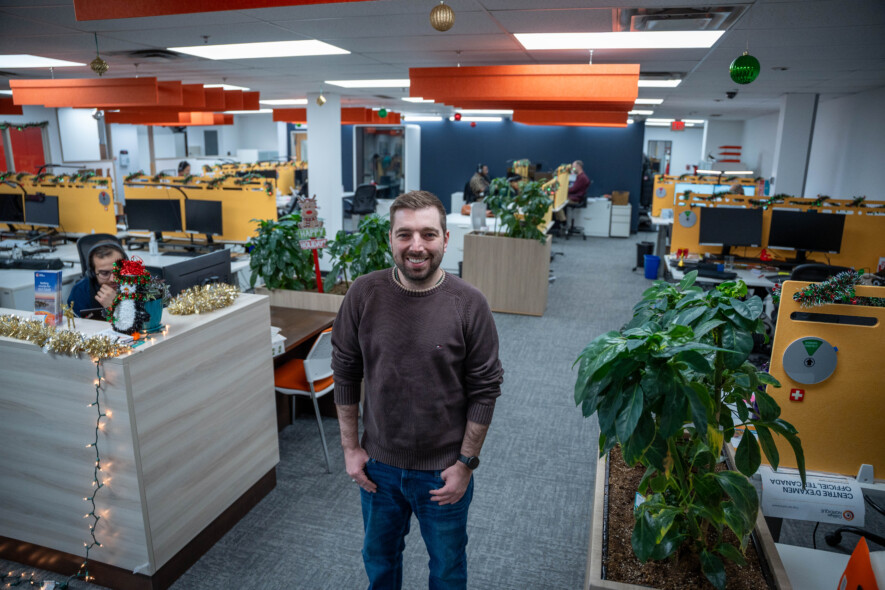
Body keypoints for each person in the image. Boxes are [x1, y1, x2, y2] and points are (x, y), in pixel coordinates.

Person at [332, 190, 504, 590]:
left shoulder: (469, 304)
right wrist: (350, 449)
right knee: (379, 561)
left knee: (446, 570)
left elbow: (486, 389)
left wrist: (465, 465)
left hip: (444, 472)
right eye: (404, 234)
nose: (416, 246)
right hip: (378, 467)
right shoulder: (364, 293)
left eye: (428, 234)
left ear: (446, 239)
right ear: (390, 239)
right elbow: (345, 369)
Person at [67, 241, 127, 320]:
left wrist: (115, 307)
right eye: (105, 273)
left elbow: (141, 327)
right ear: (92, 273)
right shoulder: (80, 291)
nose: (113, 279)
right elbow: (79, 330)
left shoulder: (139, 287)